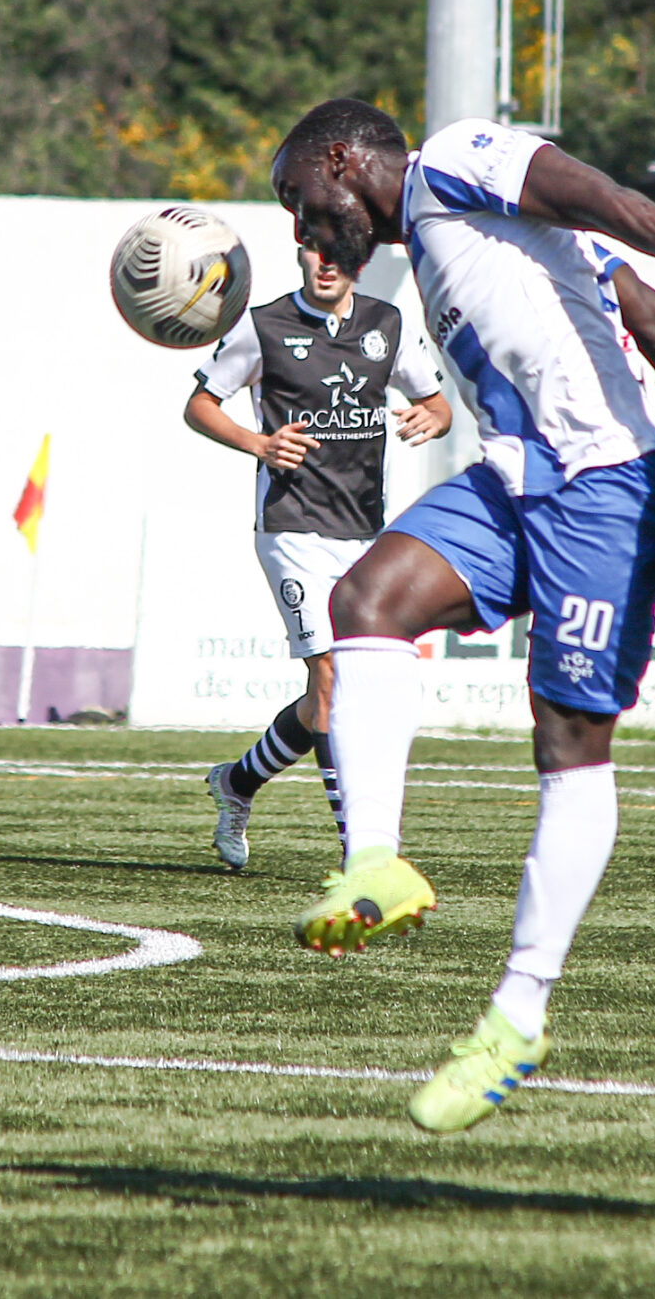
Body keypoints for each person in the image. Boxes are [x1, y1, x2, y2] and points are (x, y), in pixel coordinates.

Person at [268, 98, 655, 1133]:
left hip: (602, 484)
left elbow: (597, 201)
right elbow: (627, 306)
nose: (304, 226)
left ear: (342, 159)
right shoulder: (439, 245)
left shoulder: (456, 160)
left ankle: (517, 1014)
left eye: (301, 197)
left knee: (566, 741)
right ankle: (372, 861)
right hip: (514, 483)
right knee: (365, 602)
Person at [186, 244, 452, 870]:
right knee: (331, 681)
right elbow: (198, 405)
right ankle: (360, 853)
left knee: (327, 698)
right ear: (301, 255)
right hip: (291, 528)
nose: (326, 262)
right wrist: (259, 442)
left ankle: (238, 783)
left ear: (359, 260)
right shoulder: (264, 325)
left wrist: (428, 419)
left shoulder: (388, 326)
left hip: (363, 532)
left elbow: (439, 404)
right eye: (315, 250)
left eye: (340, 251)